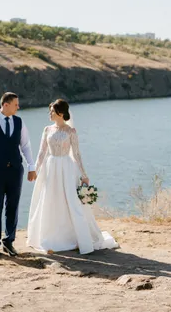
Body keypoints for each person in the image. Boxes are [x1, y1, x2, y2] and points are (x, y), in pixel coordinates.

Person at [27, 99, 118, 254]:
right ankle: (50, 237)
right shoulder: (47, 129)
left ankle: (74, 237)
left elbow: (76, 154)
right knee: (50, 201)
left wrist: (84, 175)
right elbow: (42, 151)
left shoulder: (70, 132)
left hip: (67, 169)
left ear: (60, 113)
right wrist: (35, 169)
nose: (49, 113)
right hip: (50, 169)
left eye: (52, 111)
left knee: (71, 202)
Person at [0, 92, 36, 259]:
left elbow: (25, 145)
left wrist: (31, 166)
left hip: (15, 171)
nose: (18, 107)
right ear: (5, 104)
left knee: (13, 207)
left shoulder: (19, 122)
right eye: (16, 104)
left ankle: (9, 241)